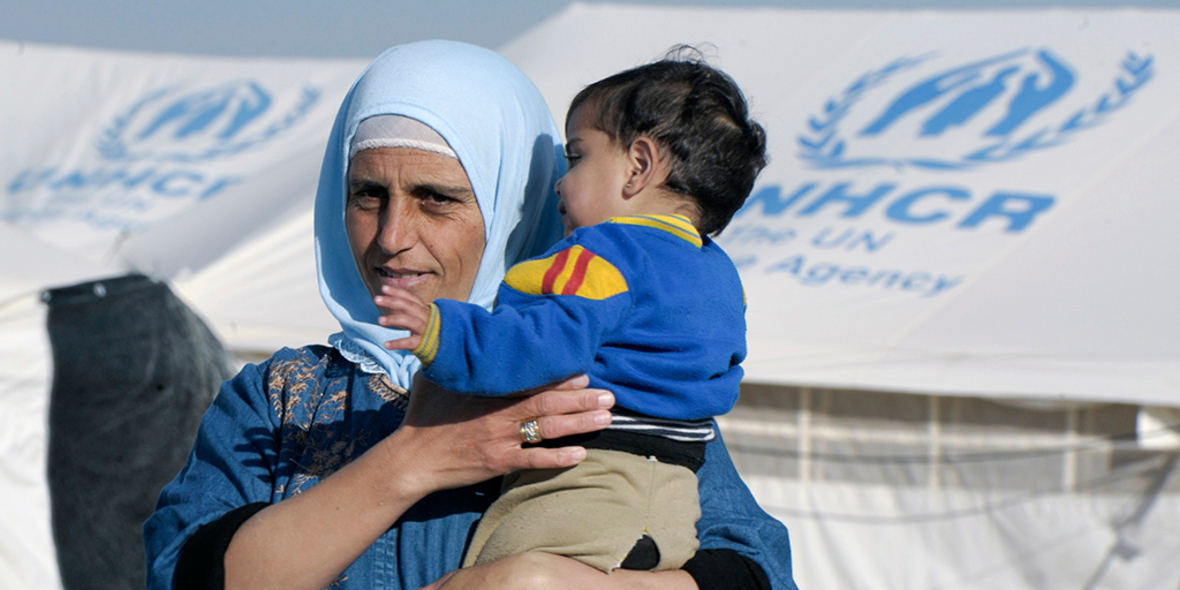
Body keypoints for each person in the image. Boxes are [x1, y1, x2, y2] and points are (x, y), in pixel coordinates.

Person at [144, 40, 797, 590]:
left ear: (516, 198)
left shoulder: (596, 381)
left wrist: (546, 581)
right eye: (368, 194)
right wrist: (415, 459)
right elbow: (183, 573)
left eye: (436, 199)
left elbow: (754, 568)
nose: (393, 235)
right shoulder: (278, 401)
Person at [373, 55, 766, 574]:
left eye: (576, 157)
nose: (560, 182)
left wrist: (444, 334)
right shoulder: (719, 277)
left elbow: (541, 344)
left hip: (582, 488)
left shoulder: (603, 255)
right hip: (676, 499)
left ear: (639, 166)